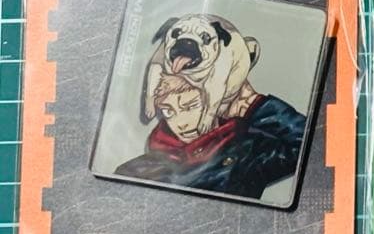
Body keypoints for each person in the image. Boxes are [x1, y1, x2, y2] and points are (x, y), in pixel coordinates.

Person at [116, 72, 307, 200]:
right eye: (168, 111)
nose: (181, 123)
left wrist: (252, 103)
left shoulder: (248, 151)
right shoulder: (135, 170)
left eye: (191, 106)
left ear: (218, 102)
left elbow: (310, 149)